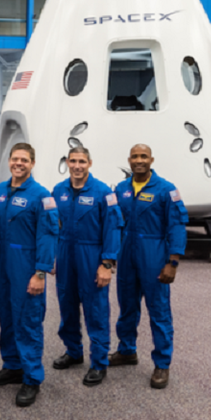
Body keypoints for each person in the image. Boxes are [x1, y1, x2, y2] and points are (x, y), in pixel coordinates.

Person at [0, 142, 57, 408]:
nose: (18, 163)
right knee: (6, 316)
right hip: (4, 262)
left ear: (32, 163)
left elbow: (48, 235)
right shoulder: (0, 192)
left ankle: (32, 377)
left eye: (24, 160)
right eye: (15, 159)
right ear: (9, 161)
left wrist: (40, 272)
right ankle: (13, 366)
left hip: (27, 264)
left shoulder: (42, 196)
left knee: (28, 319)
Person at [110, 144, 188, 390]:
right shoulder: (121, 189)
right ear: (129, 160)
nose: (139, 160)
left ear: (151, 160)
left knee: (159, 311)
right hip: (126, 255)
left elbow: (177, 226)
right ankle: (127, 350)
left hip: (153, 255)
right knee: (127, 307)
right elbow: (113, 223)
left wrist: (172, 262)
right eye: (135, 156)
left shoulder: (166, 190)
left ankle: (162, 363)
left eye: (144, 156)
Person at [51, 146, 122, 387]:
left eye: (82, 161)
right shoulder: (58, 191)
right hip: (65, 254)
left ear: (89, 163)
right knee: (67, 304)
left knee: (96, 309)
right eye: (73, 161)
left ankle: (99, 362)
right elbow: (52, 225)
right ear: (67, 163)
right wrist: (53, 255)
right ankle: (73, 351)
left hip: (91, 255)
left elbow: (113, 229)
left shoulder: (103, 193)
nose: (77, 166)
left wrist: (107, 264)